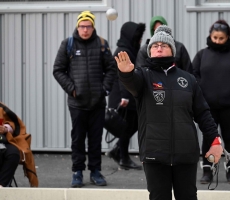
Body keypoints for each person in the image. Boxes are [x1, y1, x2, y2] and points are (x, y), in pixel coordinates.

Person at [114, 26, 223, 200]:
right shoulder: (143, 76)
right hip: (154, 154)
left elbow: (203, 114)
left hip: (185, 154)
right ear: (150, 51)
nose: (159, 47)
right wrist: (125, 73)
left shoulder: (188, 79)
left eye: (163, 45)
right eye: (155, 45)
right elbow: (131, 83)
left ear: (172, 49)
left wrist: (215, 140)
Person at [53, 11, 116, 187]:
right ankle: (77, 172)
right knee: (78, 139)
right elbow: (58, 70)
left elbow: (111, 69)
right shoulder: (68, 44)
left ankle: (95, 172)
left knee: (95, 139)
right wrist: (72, 90)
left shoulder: (102, 44)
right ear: (78, 26)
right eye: (82, 26)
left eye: (88, 26)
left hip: (97, 102)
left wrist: (104, 89)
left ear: (93, 27)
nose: (85, 29)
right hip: (77, 103)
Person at [192, 19, 230, 184]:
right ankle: (207, 171)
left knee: (229, 137)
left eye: (221, 38)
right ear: (210, 35)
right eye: (215, 37)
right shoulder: (202, 55)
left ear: (227, 38)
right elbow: (193, 74)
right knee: (208, 138)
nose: (217, 41)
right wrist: (202, 88)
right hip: (207, 107)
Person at [107, 21, 145, 170]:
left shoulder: (130, 49)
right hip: (123, 97)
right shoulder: (123, 52)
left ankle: (118, 151)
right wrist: (125, 97)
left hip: (127, 95)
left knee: (131, 125)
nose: (140, 40)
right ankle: (123, 157)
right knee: (127, 127)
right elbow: (121, 76)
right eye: (138, 37)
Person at [0, 102, 38, 187]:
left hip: (2, 140)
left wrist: (5, 128)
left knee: (13, 153)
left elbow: (13, 123)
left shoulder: (1, 107)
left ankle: (2, 185)